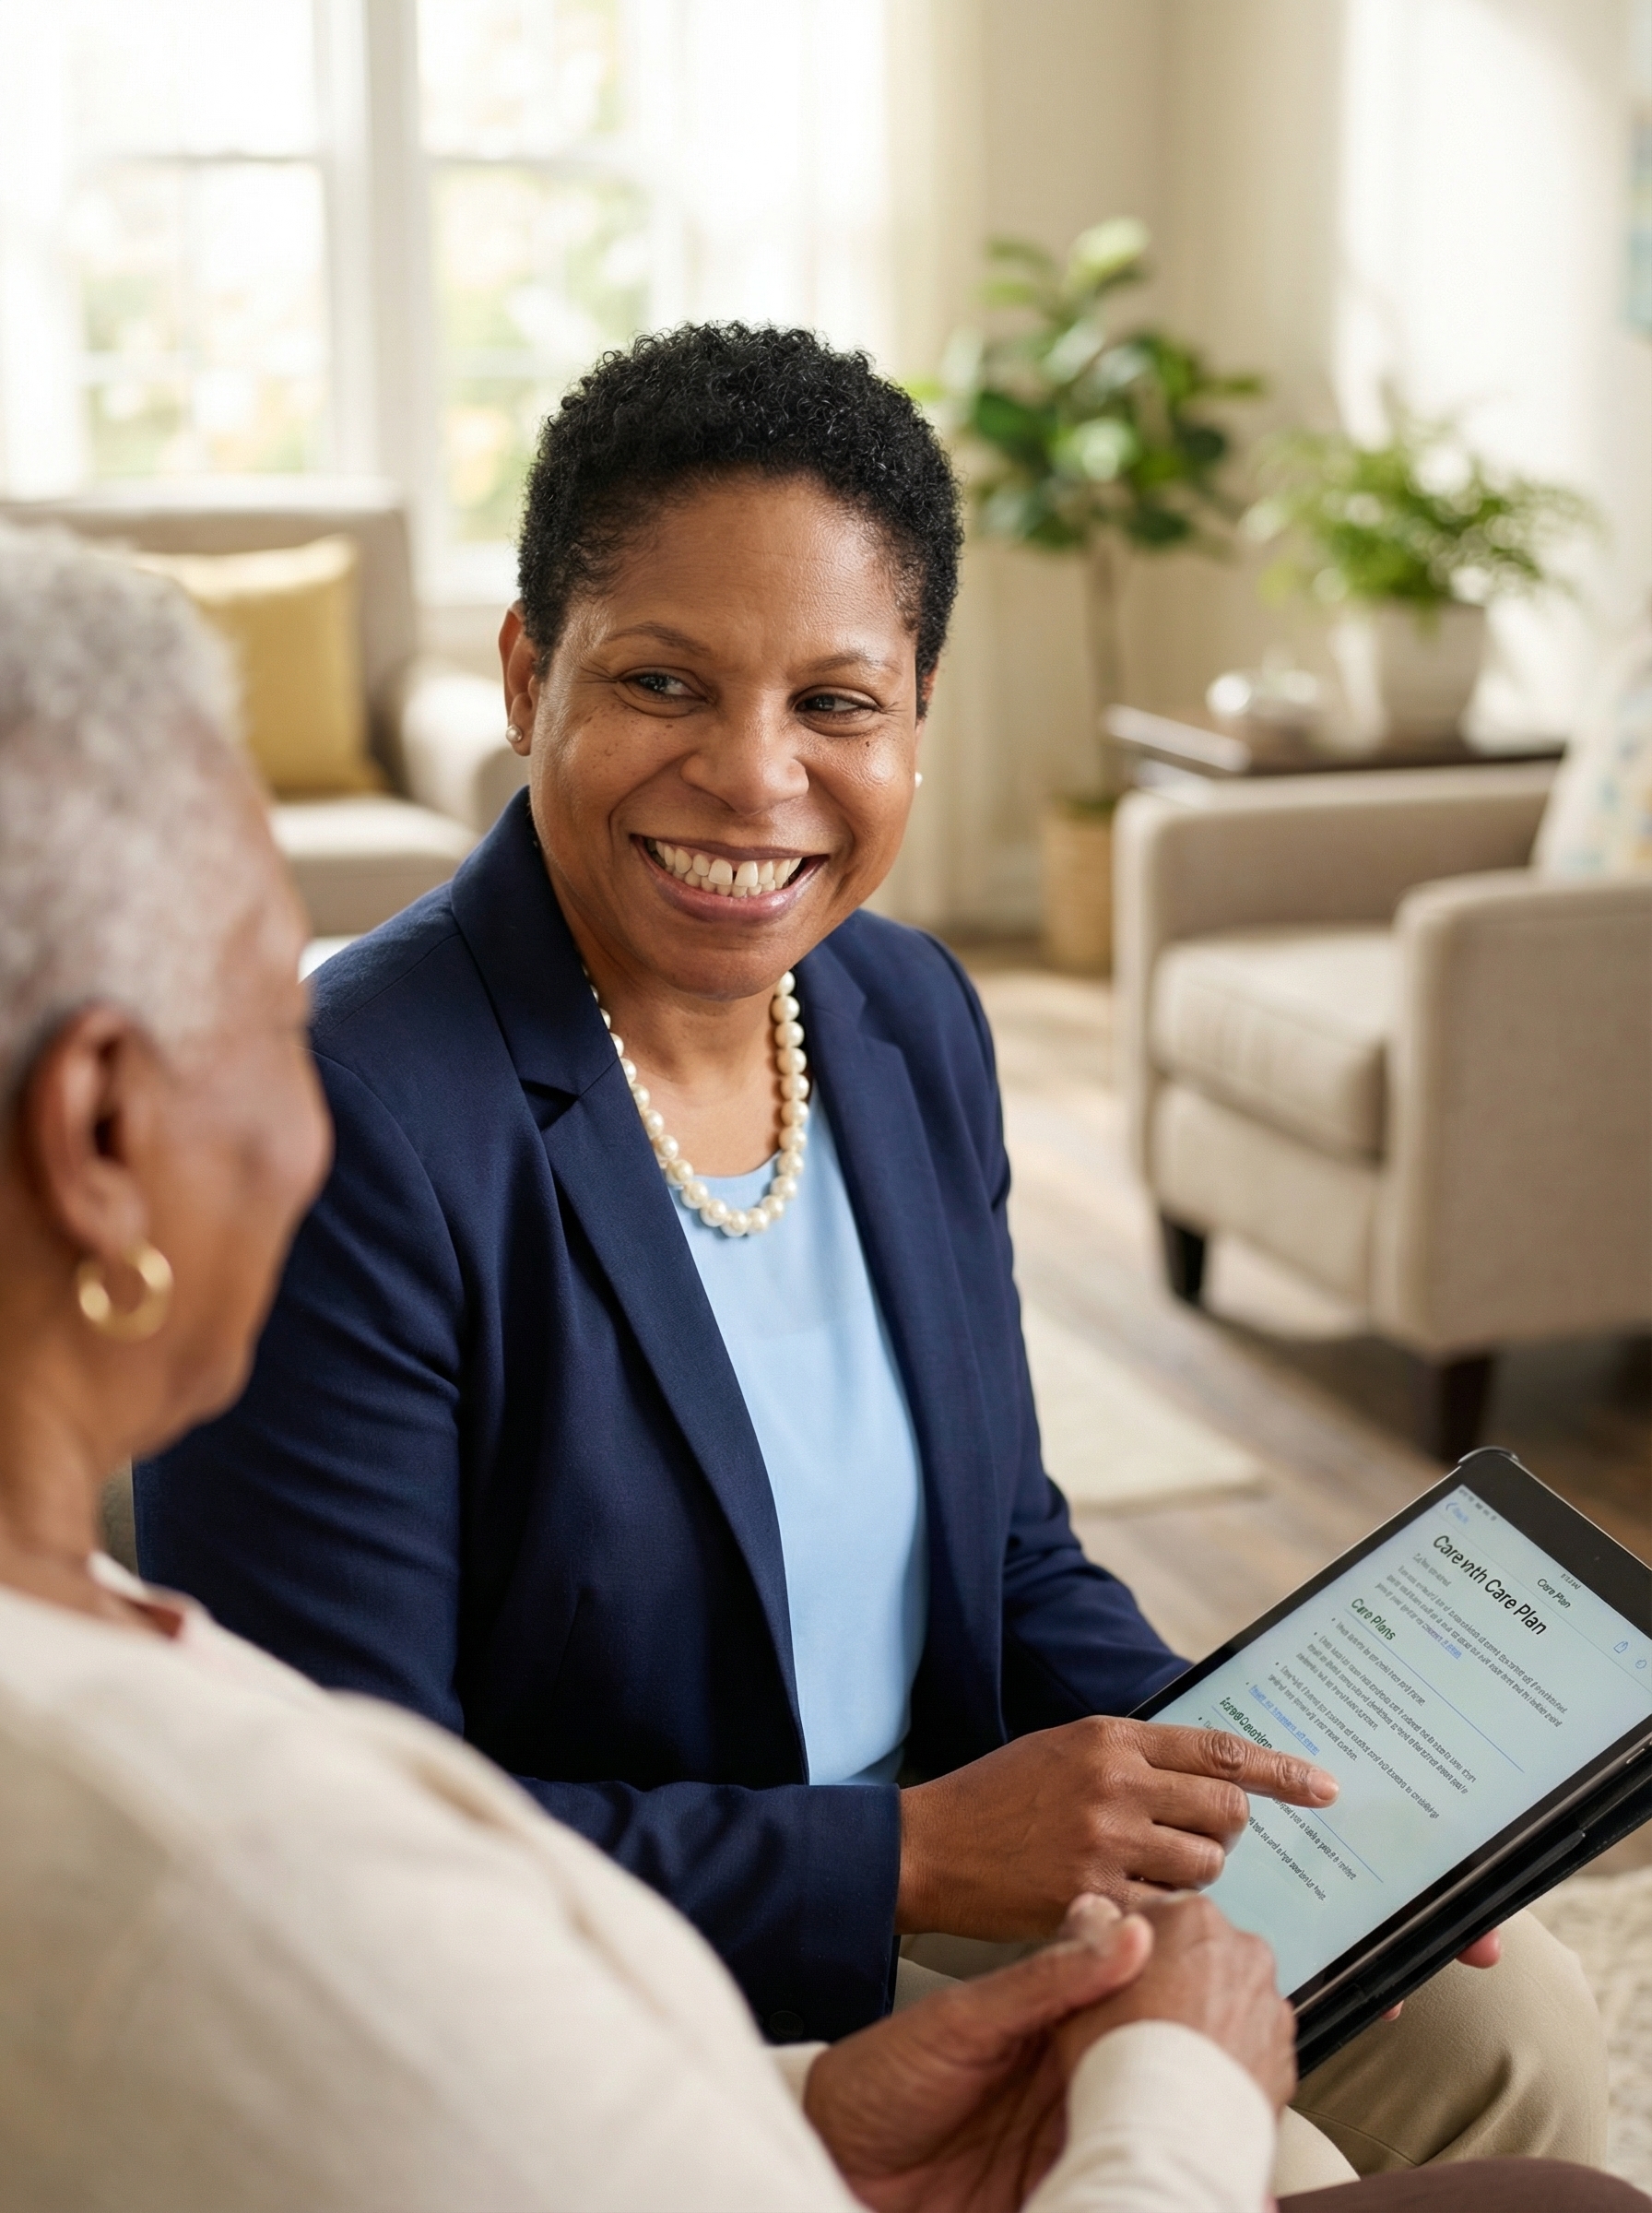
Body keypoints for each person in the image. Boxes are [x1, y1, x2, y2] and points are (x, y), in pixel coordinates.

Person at [9, 525, 1643, 2213]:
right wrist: (922, 1854)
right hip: (691, 1927)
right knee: (1275, 2146)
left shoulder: (903, 1012)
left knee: (1516, 2020)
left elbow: (1012, 1552)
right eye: (661, 683)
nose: (753, 775)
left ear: (918, 719)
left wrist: (1249, 1787)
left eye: (840, 702)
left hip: (968, 1837)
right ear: (525, 675)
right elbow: (366, 1833)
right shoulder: (374, 1115)